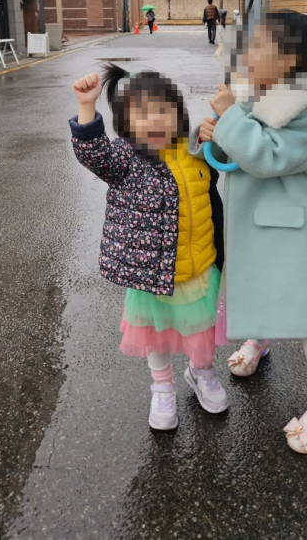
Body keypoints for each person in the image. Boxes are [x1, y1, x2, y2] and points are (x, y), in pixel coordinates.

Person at [198, 10, 307, 455]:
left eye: (262, 47)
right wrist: (214, 134)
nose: (250, 53)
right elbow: (234, 154)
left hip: (293, 228)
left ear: (291, 60)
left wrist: (229, 120)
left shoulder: (301, 110)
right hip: (259, 223)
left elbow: (267, 157)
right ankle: (260, 340)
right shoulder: (250, 95)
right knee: (258, 287)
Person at [69, 64, 228, 431]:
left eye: (163, 111)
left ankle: (201, 372)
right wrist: (87, 107)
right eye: (141, 114)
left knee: (202, 331)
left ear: (178, 114)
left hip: (200, 267)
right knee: (156, 334)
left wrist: (217, 134)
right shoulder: (125, 159)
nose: (154, 121)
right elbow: (93, 153)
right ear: (126, 123)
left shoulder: (195, 151)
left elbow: (228, 161)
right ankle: (163, 387)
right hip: (153, 276)